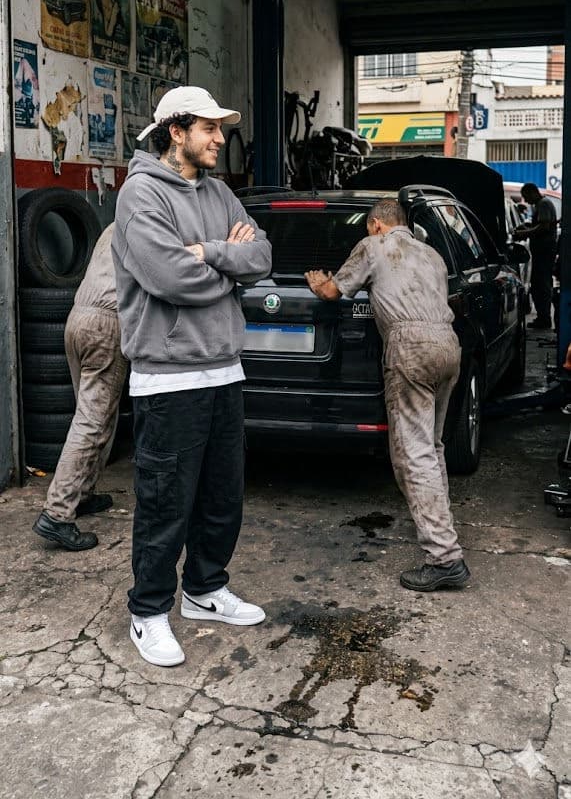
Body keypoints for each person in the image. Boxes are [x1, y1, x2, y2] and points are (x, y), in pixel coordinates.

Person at [112, 85, 272, 667]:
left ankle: (204, 591)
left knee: (220, 497)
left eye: (220, 128)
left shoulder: (222, 192)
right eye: (210, 128)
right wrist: (226, 267)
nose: (220, 138)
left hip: (224, 371)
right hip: (168, 377)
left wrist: (208, 253)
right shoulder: (139, 196)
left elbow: (262, 256)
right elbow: (171, 279)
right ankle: (149, 612)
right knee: (164, 505)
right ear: (176, 132)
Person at [305, 197, 470, 593]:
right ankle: (441, 533)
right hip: (447, 345)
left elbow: (332, 292)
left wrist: (315, 282)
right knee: (431, 446)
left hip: (410, 346)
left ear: (377, 225)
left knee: (412, 455)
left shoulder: (374, 246)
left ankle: (445, 557)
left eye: (368, 228)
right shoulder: (432, 254)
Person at [33, 223, 128, 552]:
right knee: (94, 421)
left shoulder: (114, 225)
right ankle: (57, 515)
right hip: (107, 324)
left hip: (78, 320)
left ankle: (81, 495)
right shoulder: (152, 222)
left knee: (89, 415)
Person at [513, 183, 558, 329]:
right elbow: (540, 225)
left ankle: (544, 319)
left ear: (533, 192)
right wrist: (527, 227)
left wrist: (525, 233)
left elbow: (544, 227)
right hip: (542, 252)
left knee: (541, 285)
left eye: (526, 197)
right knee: (539, 284)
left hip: (544, 252)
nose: (525, 201)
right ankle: (542, 317)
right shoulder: (541, 204)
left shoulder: (544, 204)